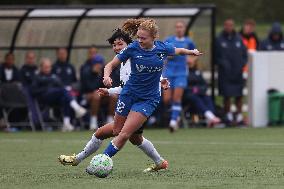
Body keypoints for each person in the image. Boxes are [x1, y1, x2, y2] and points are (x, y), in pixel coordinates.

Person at [58, 28, 170, 172]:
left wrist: (161, 80)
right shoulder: (124, 63)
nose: (116, 48)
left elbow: (146, 77)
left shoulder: (132, 60)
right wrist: (109, 91)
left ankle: (80, 160)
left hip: (138, 106)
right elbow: (127, 88)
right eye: (114, 45)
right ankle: (160, 162)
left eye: (120, 44)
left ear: (129, 45)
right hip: (133, 104)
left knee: (104, 133)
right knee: (136, 139)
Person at [101, 18, 202, 165]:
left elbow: (178, 50)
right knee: (117, 131)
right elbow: (110, 64)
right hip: (129, 94)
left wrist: (191, 52)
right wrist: (106, 76)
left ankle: (103, 159)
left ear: (154, 38)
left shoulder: (162, 48)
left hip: (148, 99)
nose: (140, 41)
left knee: (125, 133)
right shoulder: (133, 48)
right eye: (138, 37)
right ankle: (160, 162)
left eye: (144, 38)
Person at [31, 58, 86, 131]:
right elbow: (33, 91)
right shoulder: (37, 77)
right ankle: (76, 108)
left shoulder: (53, 76)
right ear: (41, 67)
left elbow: (61, 85)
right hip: (44, 98)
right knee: (63, 91)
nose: (48, 69)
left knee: (65, 98)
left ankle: (66, 123)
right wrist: (46, 88)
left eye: (49, 67)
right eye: (46, 67)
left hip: (55, 98)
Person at [162, 21, 196, 132]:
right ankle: (176, 115)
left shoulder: (188, 42)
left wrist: (192, 60)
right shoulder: (169, 40)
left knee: (177, 98)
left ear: (184, 28)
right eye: (177, 27)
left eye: (181, 27)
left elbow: (194, 54)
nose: (179, 29)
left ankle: (173, 121)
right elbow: (161, 53)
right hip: (168, 73)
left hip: (181, 74)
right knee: (166, 99)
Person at [215, 19, 248, 126]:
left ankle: (239, 116)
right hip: (225, 74)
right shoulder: (219, 39)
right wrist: (223, 64)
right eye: (227, 25)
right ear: (224, 26)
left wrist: (241, 65)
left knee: (239, 95)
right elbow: (215, 57)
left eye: (231, 25)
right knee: (227, 95)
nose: (229, 27)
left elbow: (244, 54)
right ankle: (228, 116)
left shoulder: (239, 39)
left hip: (237, 73)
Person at [183, 56, 221, 127]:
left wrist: (199, 90)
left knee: (207, 98)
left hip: (199, 93)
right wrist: (193, 89)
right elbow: (183, 86)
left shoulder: (197, 72)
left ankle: (210, 118)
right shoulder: (184, 72)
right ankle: (210, 116)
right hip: (186, 96)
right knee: (195, 98)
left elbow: (204, 85)